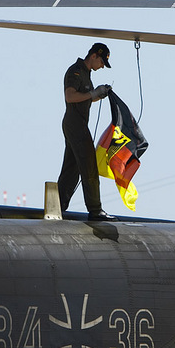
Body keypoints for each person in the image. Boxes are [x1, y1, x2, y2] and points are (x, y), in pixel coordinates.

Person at [57, 43, 117, 221]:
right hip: (75, 124)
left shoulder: (86, 74)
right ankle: (95, 209)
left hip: (77, 123)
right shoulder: (76, 71)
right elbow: (70, 96)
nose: (101, 67)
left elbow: (84, 99)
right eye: (101, 63)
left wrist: (99, 95)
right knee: (89, 165)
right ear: (94, 56)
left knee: (71, 169)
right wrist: (92, 94)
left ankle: (57, 205)